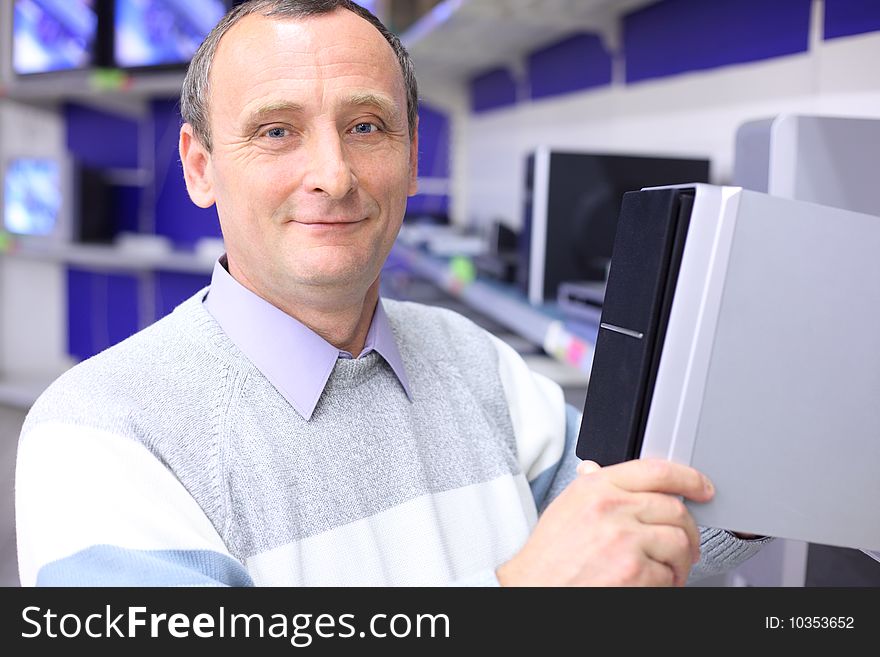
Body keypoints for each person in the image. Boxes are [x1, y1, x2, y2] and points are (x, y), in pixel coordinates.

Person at [15, 0, 768, 587]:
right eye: (277, 132)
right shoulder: (99, 433)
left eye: (367, 126)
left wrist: (794, 442)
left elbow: (642, 530)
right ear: (201, 165)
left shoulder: (479, 364)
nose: (334, 176)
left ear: (412, 158)